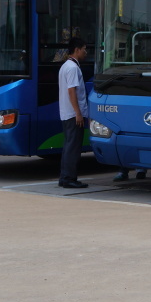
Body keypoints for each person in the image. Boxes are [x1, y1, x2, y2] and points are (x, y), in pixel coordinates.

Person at [58, 37, 89, 189]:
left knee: (69, 146)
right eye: (84, 49)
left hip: (67, 113)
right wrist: (78, 113)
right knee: (73, 147)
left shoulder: (66, 66)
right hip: (73, 114)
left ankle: (65, 177)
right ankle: (69, 178)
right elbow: (72, 91)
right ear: (77, 50)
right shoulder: (72, 68)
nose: (86, 52)